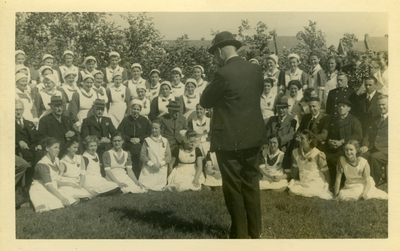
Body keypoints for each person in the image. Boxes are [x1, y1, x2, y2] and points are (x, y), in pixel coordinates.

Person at [200, 31, 265, 239]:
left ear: (219, 51)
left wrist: (219, 72)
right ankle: (255, 234)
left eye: (214, 54)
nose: (215, 58)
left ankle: (240, 235)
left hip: (228, 140)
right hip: (253, 138)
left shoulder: (223, 74)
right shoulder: (256, 70)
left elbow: (205, 101)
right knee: (251, 185)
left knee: (233, 189)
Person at [29, 137, 78, 213]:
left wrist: (66, 181)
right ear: (47, 148)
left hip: (52, 186)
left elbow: (56, 179)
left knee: (74, 200)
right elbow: (48, 186)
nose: (58, 150)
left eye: (58, 147)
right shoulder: (42, 164)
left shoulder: (56, 159)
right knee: (57, 205)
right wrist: (62, 198)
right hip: (41, 188)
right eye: (55, 147)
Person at [324, 98, 363, 186]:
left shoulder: (353, 120)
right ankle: (330, 182)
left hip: (348, 149)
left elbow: (358, 135)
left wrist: (342, 142)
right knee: (325, 157)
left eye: (343, 106)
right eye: (339, 106)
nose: (341, 108)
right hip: (335, 147)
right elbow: (330, 133)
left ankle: (341, 183)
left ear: (349, 108)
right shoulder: (334, 119)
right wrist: (331, 141)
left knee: (335, 159)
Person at [288, 129, 332, 199]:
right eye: (299, 138)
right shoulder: (295, 152)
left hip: (316, 180)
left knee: (311, 192)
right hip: (303, 180)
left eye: (302, 138)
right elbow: (295, 172)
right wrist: (295, 179)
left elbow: (326, 172)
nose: (299, 140)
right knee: (293, 191)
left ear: (309, 141)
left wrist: (327, 187)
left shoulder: (318, 154)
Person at [118, 99, 152, 179]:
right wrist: (129, 139)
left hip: (141, 143)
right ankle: (131, 173)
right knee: (133, 149)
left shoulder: (144, 120)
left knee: (137, 150)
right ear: (131, 109)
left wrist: (139, 139)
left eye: (137, 109)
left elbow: (149, 133)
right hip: (128, 143)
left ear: (140, 110)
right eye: (134, 109)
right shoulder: (126, 119)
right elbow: (120, 132)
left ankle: (138, 173)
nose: (135, 111)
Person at [81, 99, 116, 171]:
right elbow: (85, 136)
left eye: (102, 109)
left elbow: (115, 133)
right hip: (95, 148)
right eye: (98, 109)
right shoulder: (87, 121)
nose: (100, 112)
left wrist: (110, 140)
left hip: (107, 146)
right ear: (94, 109)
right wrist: (99, 140)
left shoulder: (107, 120)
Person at [360, 94, 388, 185]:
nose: (381, 107)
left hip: (387, 150)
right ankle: (360, 182)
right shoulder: (374, 119)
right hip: (373, 147)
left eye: (383, 104)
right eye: (379, 105)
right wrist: (364, 145)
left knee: (374, 157)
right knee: (361, 155)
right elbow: (367, 135)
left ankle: (373, 184)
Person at [139, 120, 171, 191]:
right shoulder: (147, 140)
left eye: (156, 128)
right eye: (152, 128)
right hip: (149, 168)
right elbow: (142, 155)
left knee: (159, 186)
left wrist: (160, 164)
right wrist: (152, 164)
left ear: (160, 129)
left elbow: (168, 156)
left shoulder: (165, 141)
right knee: (146, 185)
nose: (154, 130)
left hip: (161, 168)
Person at [15, 100, 41, 166]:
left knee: (44, 153)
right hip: (20, 150)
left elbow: (38, 136)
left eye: (20, 109)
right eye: (16, 110)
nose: (19, 112)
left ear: (23, 110)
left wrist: (39, 144)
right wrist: (18, 141)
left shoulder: (29, 123)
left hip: (34, 148)